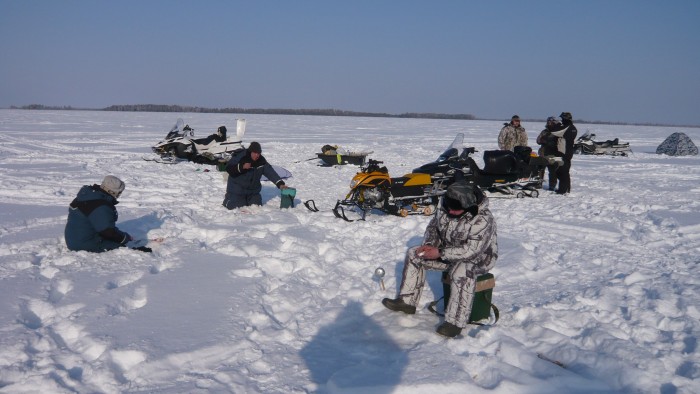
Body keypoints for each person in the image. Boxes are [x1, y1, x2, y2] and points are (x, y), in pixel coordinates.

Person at [381, 181, 498, 338]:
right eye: (450, 207)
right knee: (414, 254)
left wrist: (440, 253)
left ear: (468, 205)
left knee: (461, 270)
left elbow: (472, 251)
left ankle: (455, 322)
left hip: (479, 258)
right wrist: (429, 246)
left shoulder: (483, 219)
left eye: (455, 209)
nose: (451, 211)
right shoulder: (445, 207)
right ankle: (407, 301)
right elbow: (433, 228)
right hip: (446, 252)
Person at [64, 175, 147, 253]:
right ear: (112, 192)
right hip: (83, 244)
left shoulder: (88, 196)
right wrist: (125, 238)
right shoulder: (101, 206)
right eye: (119, 192)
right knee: (124, 247)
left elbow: (102, 225)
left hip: (73, 238)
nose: (119, 195)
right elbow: (108, 232)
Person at [223, 141, 288, 209]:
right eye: (255, 153)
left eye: (258, 153)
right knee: (236, 206)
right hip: (237, 190)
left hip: (253, 192)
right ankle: (229, 200)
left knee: (256, 206)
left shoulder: (261, 161)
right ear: (250, 151)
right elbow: (228, 168)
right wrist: (242, 167)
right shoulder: (240, 156)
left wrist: (280, 184)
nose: (257, 155)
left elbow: (270, 172)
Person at [549, 112, 578, 194]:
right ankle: (567, 189)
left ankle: (562, 190)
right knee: (565, 171)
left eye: (562, 119)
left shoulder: (566, 127)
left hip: (563, 152)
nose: (561, 120)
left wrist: (556, 125)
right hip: (568, 152)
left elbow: (554, 132)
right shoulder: (573, 127)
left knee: (562, 171)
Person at [536, 116, 565, 191]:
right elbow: (538, 140)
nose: (549, 123)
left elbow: (562, 142)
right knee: (540, 170)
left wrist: (553, 143)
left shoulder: (558, 132)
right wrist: (543, 140)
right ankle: (538, 183)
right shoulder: (544, 131)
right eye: (548, 122)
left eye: (551, 122)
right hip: (543, 153)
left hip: (553, 154)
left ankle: (552, 185)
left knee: (552, 171)